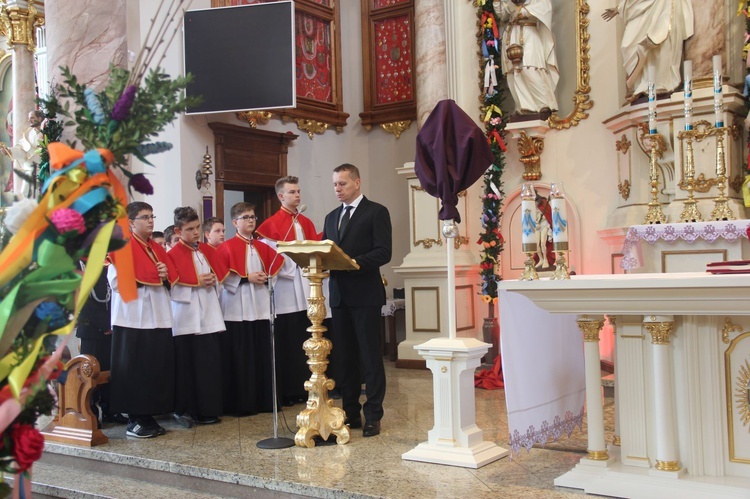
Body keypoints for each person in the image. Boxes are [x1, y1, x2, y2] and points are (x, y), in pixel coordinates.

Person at [323, 164, 392, 437]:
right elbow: (327, 250)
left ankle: (373, 413)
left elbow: (383, 252)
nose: (338, 189)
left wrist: (353, 263)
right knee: (346, 358)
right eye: (335, 185)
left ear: (357, 183)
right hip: (339, 296)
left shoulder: (376, 212)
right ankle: (350, 413)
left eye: (342, 184)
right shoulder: (330, 217)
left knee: (370, 356)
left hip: (365, 295)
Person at [108, 202, 178, 438]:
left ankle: (149, 415)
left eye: (152, 216)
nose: (150, 221)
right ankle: (135, 420)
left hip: (157, 316)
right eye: (144, 217)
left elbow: (170, 277)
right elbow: (116, 282)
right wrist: (150, 275)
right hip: (133, 318)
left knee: (154, 368)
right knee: (135, 369)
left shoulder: (156, 249)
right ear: (130, 222)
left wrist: (164, 275)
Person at [256, 176, 321, 406]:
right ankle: (288, 390)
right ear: (281, 196)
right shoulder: (270, 226)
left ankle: (307, 386)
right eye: (292, 192)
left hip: (306, 287)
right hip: (285, 289)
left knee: (306, 337)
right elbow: (268, 259)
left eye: (299, 191)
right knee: (288, 340)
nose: (298, 195)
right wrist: (294, 263)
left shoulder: (306, 222)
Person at [217, 202, 283, 414]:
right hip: (237, 309)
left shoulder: (263, 247)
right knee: (241, 357)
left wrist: (268, 277)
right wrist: (247, 278)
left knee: (262, 355)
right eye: (245, 217)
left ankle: (265, 401)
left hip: (261, 307)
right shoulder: (226, 247)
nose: (251, 220)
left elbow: (277, 269)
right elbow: (224, 278)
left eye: (253, 216)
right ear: (235, 222)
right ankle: (242, 404)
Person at [168, 207, 228, 427]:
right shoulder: (172, 255)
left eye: (197, 228)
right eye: (189, 229)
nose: (195, 232)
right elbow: (171, 288)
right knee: (186, 367)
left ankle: (208, 409)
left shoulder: (206, 251)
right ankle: (186, 410)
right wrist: (197, 282)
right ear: (178, 230)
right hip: (186, 317)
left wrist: (213, 280)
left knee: (208, 365)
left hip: (209, 315)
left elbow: (221, 277)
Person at [602, 0, 694, 98]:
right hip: (643, 8)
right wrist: (620, 8)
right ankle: (642, 84)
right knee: (627, 46)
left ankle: (659, 83)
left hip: (662, 6)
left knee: (660, 44)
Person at [75, 259, 127, 425]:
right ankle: (90, 411)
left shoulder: (104, 265)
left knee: (110, 371)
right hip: (90, 329)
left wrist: (111, 323)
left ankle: (110, 410)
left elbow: (112, 295)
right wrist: (102, 324)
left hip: (110, 327)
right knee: (90, 372)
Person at [498, 0, 559, 116]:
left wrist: (522, 11)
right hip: (512, 34)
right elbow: (502, 14)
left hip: (529, 32)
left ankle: (544, 105)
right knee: (514, 72)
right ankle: (523, 107)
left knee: (529, 68)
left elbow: (545, 8)